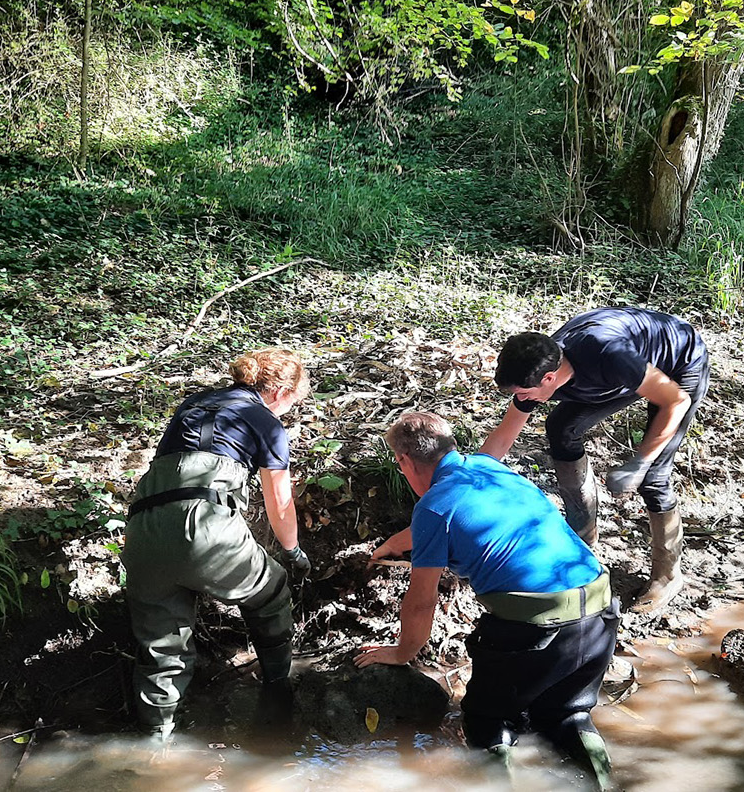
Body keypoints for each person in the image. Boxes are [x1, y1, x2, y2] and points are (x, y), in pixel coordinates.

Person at [357, 412, 618, 788]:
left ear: (404, 461)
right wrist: (392, 545)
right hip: (599, 613)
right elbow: (454, 517)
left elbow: (421, 601)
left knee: (486, 718)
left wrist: (402, 652)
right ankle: (608, 784)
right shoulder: (485, 467)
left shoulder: (433, 507)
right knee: (568, 714)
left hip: (537, 629)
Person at [121, 348, 312, 737]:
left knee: (162, 648)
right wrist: (292, 552)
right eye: (294, 401)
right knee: (271, 590)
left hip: (143, 529)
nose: (290, 410)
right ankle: (277, 687)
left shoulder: (194, 404)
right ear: (278, 391)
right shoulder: (267, 422)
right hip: (205, 528)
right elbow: (279, 501)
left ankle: (154, 748)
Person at [479, 307, 709, 615]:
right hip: (626, 374)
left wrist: (640, 462)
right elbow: (504, 437)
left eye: (525, 393)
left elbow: (676, 401)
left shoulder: (608, 355)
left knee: (653, 477)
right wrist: (469, 479)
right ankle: (583, 536)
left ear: (549, 378)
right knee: (560, 428)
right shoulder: (538, 368)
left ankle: (668, 576)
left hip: (678, 363)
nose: (523, 398)